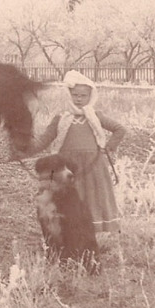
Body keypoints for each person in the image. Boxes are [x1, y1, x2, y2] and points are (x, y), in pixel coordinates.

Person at [32, 70, 126, 236]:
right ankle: (67, 232)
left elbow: (120, 129)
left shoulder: (96, 116)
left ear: (91, 96)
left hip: (92, 165)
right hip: (67, 168)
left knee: (92, 197)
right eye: (75, 95)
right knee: (69, 198)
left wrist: (107, 148)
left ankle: (92, 232)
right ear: (68, 95)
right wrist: (25, 148)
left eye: (83, 95)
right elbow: (45, 139)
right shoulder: (61, 118)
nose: (79, 99)